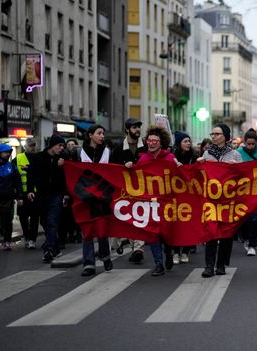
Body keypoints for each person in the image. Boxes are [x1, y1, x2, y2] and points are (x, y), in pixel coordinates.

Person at [72, 124, 114, 276]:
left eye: (103, 133)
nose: (102, 136)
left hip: (102, 198)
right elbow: (72, 173)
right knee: (87, 231)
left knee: (102, 230)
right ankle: (88, 263)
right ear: (90, 135)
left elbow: (114, 174)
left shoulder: (108, 153)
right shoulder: (78, 153)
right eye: (99, 133)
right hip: (84, 198)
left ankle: (105, 256)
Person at [137, 126, 179, 276]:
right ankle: (158, 263)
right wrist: (130, 167)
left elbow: (179, 179)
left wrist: (180, 168)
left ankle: (168, 251)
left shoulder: (170, 158)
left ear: (161, 143)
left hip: (167, 202)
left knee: (166, 233)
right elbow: (135, 179)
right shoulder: (143, 159)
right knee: (153, 233)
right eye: (149, 140)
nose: (152, 143)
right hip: (150, 203)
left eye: (155, 140)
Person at [200, 124, 241, 277]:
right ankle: (209, 266)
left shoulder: (235, 155)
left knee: (226, 233)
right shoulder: (206, 154)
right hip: (211, 200)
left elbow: (243, 177)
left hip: (228, 201)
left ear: (225, 136)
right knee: (211, 231)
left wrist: (236, 168)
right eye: (213, 134)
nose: (214, 136)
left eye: (217, 134)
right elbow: (200, 176)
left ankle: (222, 264)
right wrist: (199, 165)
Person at [110, 118, 147, 263]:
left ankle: (138, 248)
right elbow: (111, 168)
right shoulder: (118, 149)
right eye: (134, 127)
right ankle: (130, 244)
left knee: (139, 217)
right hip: (124, 190)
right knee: (128, 218)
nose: (137, 129)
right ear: (127, 130)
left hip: (143, 189)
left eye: (138, 127)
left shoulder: (145, 147)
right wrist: (123, 166)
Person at [26, 134, 67, 263]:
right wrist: (30, 190)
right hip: (42, 195)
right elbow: (30, 174)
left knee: (52, 221)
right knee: (44, 221)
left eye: (63, 146)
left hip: (56, 194)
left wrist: (63, 166)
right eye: (59, 145)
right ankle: (54, 247)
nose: (61, 148)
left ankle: (48, 249)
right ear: (52, 145)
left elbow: (66, 178)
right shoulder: (38, 157)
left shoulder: (62, 159)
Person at [237, 129, 257, 256]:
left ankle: (252, 244)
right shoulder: (238, 152)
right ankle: (246, 238)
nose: (250, 146)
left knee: (255, 218)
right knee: (244, 218)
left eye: (253, 144)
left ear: (256, 143)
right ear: (244, 142)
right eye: (248, 144)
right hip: (243, 190)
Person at [171, 131, 202, 264]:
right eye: (185, 141)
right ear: (179, 143)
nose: (188, 143)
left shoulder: (194, 156)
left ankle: (185, 252)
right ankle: (176, 252)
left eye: (189, 141)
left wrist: (199, 164)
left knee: (190, 224)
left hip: (191, 195)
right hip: (176, 195)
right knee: (177, 224)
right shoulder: (172, 157)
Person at [14, 137, 40, 249]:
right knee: (23, 217)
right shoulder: (18, 158)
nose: (33, 147)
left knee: (34, 218)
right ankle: (26, 236)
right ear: (25, 147)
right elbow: (14, 176)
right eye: (30, 145)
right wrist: (16, 195)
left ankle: (32, 240)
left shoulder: (39, 158)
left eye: (34, 145)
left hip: (36, 193)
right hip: (22, 194)